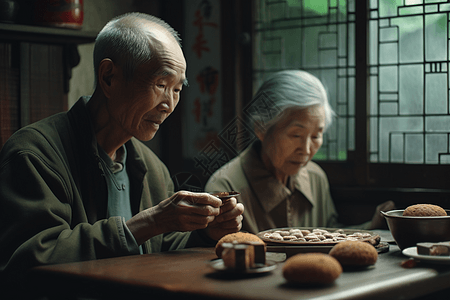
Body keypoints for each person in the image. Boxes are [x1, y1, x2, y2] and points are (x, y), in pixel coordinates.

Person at [0, 12, 244, 286]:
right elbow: (28, 259)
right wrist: (146, 223)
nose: (168, 104)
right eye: (160, 85)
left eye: (176, 89)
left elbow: (162, 246)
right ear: (109, 78)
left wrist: (206, 233)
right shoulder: (34, 154)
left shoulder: (150, 167)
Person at [205, 70, 393, 234]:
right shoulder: (225, 186)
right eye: (296, 135)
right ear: (261, 128)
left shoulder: (316, 177)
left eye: (316, 136)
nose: (306, 150)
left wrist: (372, 226)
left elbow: (327, 232)